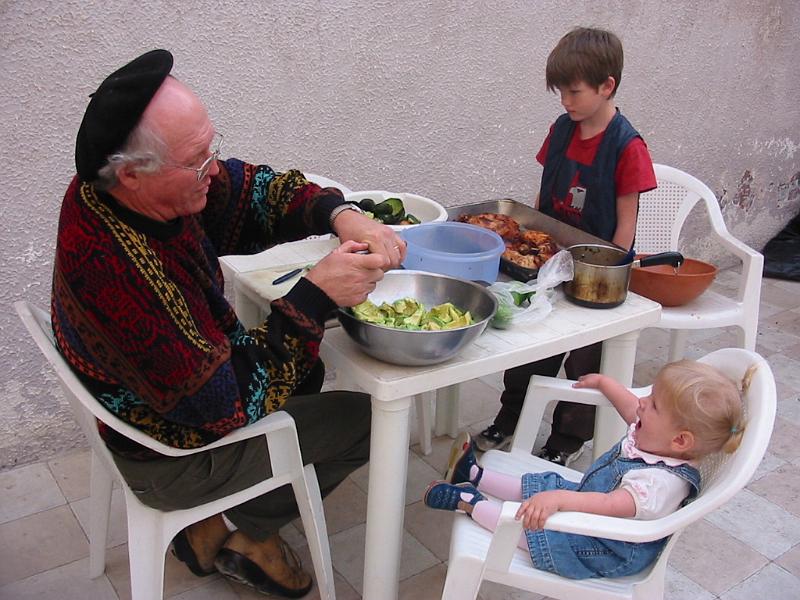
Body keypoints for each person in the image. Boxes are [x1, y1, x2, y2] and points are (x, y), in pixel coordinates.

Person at [51, 49, 407, 598]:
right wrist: (315, 297)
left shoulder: (133, 192)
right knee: (374, 422)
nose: (214, 168)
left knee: (301, 364)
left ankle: (212, 526)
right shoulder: (115, 271)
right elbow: (223, 406)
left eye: (211, 146)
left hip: (167, 403)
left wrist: (343, 214)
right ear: (132, 173)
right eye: (199, 159)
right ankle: (246, 533)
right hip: (169, 451)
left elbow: (253, 189)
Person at [476, 27, 657, 464]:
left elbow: (626, 227)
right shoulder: (561, 130)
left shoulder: (626, 147)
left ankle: (564, 443)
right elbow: (543, 199)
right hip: (550, 262)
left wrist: (605, 273)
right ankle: (511, 417)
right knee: (531, 346)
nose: (566, 101)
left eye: (573, 92)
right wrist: (532, 240)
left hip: (596, 275)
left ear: (606, 85)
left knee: (585, 365)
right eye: (560, 92)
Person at [426, 360, 749, 579]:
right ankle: (473, 475)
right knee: (547, 483)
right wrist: (607, 384)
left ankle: (469, 502)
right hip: (595, 514)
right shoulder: (658, 438)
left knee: (539, 532)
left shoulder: (659, 484)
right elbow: (629, 407)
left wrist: (559, 501)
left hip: (605, 547)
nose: (642, 403)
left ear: (680, 439)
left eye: (653, 405)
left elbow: (611, 506)